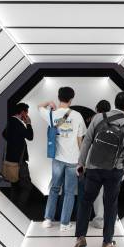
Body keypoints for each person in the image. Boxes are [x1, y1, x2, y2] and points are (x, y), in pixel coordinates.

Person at [73, 91, 124, 247]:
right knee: (110, 205)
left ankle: (80, 237)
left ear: (115, 103)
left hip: (94, 168)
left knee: (86, 201)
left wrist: (81, 163)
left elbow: (87, 141)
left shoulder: (98, 118)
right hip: (114, 170)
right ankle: (107, 241)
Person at [38, 87, 86, 231]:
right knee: (70, 192)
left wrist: (49, 103)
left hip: (57, 158)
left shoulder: (51, 115)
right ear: (71, 99)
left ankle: (47, 219)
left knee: (54, 189)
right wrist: (81, 160)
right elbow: (80, 139)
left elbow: (39, 106)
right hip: (73, 160)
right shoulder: (77, 116)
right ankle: (64, 224)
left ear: (59, 97)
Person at [87, 100, 112, 229]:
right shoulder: (115, 119)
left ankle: (98, 219)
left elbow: (88, 139)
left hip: (96, 159)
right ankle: (109, 217)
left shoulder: (95, 118)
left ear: (97, 108)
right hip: (111, 159)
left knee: (97, 190)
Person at [2, 103, 33, 183]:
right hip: (19, 160)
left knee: (14, 183)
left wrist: (14, 142)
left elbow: (4, 134)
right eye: (26, 113)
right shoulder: (17, 123)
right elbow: (30, 137)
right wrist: (28, 123)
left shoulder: (11, 121)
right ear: (22, 112)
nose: (27, 115)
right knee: (26, 184)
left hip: (10, 158)